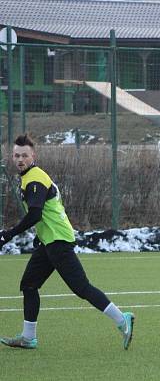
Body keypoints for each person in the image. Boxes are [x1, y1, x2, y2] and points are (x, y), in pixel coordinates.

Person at [0, 134, 134, 350]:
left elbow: (35, 214)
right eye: (16, 155)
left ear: (33, 156)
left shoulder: (34, 178)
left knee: (81, 287)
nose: (20, 159)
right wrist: (39, 235)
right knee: (29, 284)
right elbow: (46, 213)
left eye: (24, 155)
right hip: (49, 241)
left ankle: (122, 319)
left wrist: (8, 234)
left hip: (58, 241)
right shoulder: (30, 177)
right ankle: (28, 337)